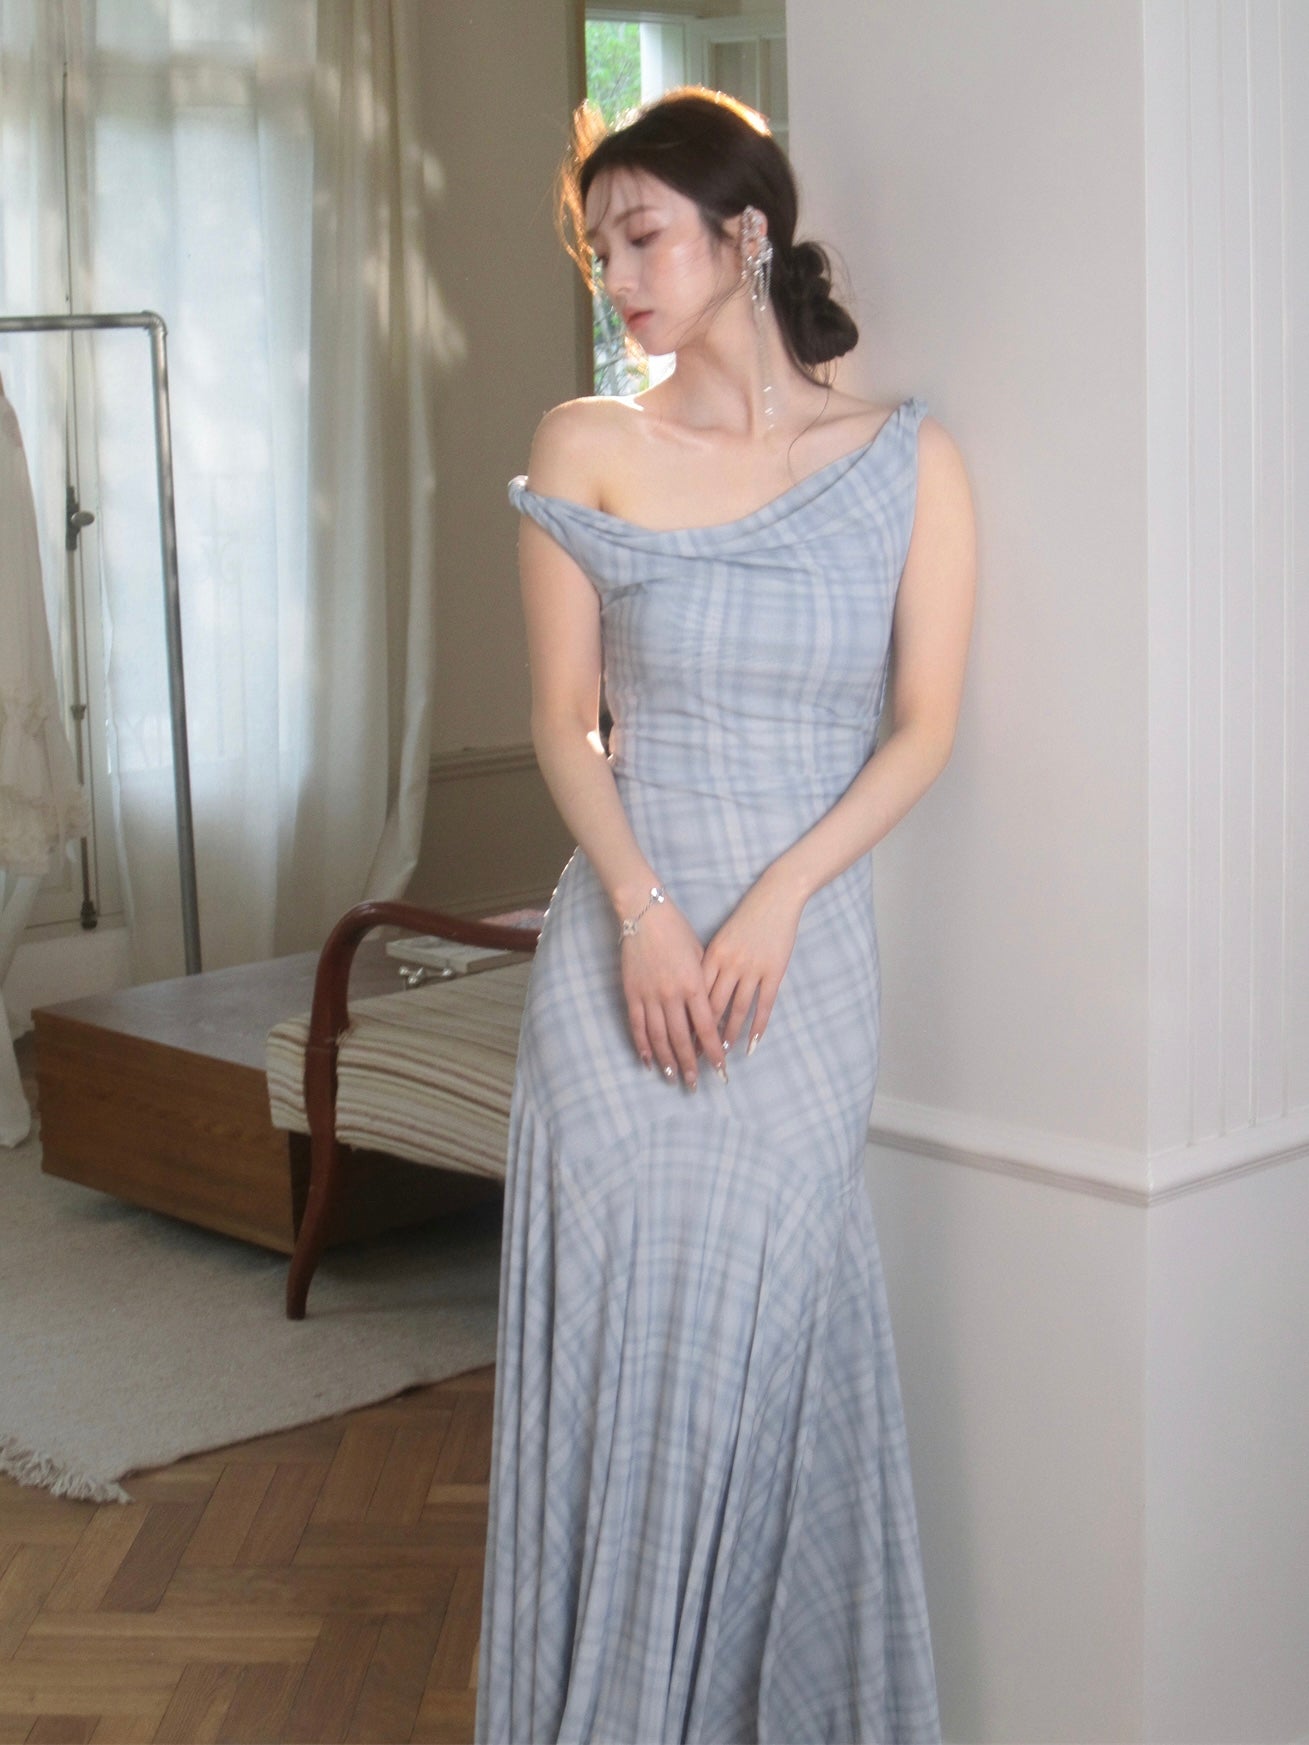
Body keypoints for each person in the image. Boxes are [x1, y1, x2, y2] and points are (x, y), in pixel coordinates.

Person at [474, 86, 976, 1745]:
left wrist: (771, 901)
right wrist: (644, 913)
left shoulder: (903, 460)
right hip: (620, 957)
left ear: (742, 233)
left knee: (768, 1346)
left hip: (795, 968)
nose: (617, 277)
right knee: (622, 1355)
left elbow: (921, 730)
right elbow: (563, 724)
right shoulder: (588, 444)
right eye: (597, 250)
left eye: (643, 238)